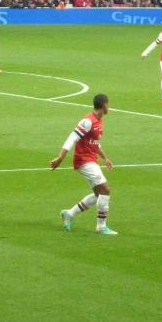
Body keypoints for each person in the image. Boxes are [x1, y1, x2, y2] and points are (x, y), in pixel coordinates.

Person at [49, 94, 117, 235]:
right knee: (106, 189)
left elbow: (94, 142)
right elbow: (72, 137)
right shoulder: (88, 121)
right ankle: (101, 226)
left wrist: (105, 158)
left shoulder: (99, 121)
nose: (108, 107)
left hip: (91, 160)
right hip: (83, 161)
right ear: (104, 105)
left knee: (99, 194)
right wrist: (60, 159)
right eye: (108, 104)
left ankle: (69, 213)